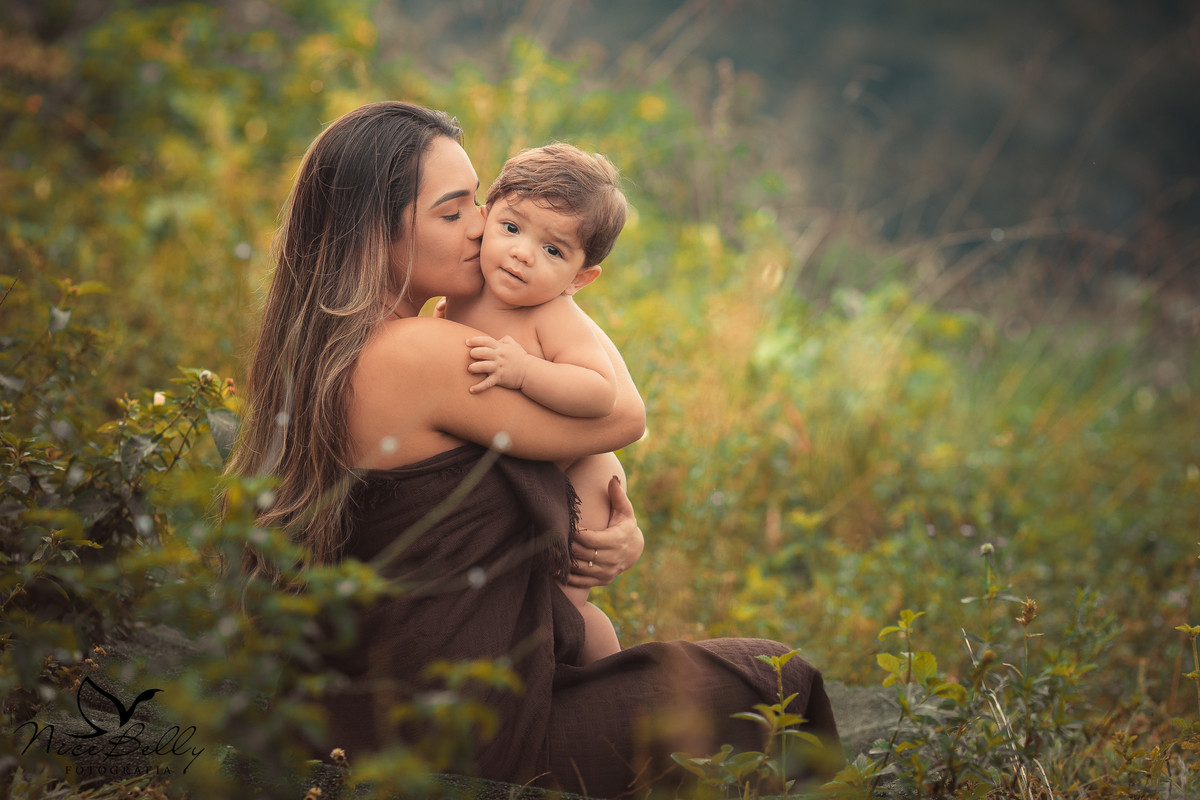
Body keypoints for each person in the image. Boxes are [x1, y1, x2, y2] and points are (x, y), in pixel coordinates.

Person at [231, 101, 841, 796]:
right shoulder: (423, 352)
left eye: (480, 202)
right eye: (453, 211)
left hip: (375, 711)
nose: (484, 229)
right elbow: (623, 417)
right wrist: (562, 302)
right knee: (775, 678)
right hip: (465, 737)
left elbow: (504, 487)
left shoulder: (321, 353)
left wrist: (616, 525)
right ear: (375, 228)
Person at [444, 142, 630, 665]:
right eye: (512, 228)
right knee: (514, 591)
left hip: (580, 477)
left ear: (579, 279)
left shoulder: (553, 316)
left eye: (553, 250)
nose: (523, 253)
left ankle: (579, 663)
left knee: (559, 607)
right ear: (486, 217)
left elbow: (600, 391)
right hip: (509, 481)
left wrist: (526, 371)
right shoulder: (460, 291)